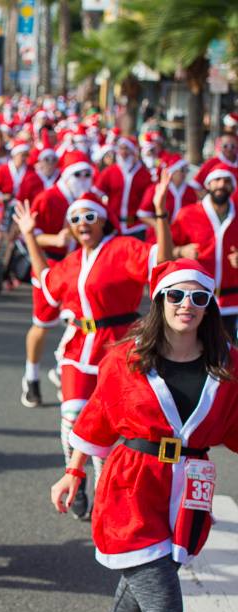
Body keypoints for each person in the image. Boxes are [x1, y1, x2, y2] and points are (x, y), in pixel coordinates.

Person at [51, 258, 238, 612]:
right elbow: (97, 416)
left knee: (132, 607)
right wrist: (74, 472)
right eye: (176, 295)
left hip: (189, 493)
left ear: (208, 305)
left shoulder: (228, 365)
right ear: (160, 300)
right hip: (132, 490)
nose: (186, 304)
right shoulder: (126, 360)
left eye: (198, 296)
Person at [16, 190, 172, 519]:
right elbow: (46, 283)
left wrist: (160, 215)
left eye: (89, 216)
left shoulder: (122, 249)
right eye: (75, 219)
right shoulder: (72, 262)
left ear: (103, 220)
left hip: (120, 347)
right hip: (78, 347)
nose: (82, 223)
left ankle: (105, 487)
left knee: (111, 422)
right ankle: (76, 474)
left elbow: (162, 263)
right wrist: (29, 234)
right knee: (73, 416)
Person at [20, 149, 93, 407]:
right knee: (43, 324)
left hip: (81, 266)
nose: (83, 178)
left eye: (87, 173)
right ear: (66, 174)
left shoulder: (90, 199)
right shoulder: (48, 198)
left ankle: (65, 370)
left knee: (81, 321)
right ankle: (31, 376)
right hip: (48, 264)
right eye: (78, 173)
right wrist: (56, 239)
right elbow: (31, 234)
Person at [168, 165, 238, 338]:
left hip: (233, 302)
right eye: (217, 180)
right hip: (198, 301)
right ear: (208, 184)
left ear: (233, 186)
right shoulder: (187, 214)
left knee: (231, 358)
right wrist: (180, 251)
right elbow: (164, 250)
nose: (221, 184)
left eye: (227, 180)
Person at [95, 135, 151, 239]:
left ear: (134, 152)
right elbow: (96, 195)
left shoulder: (145, 175)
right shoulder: (110, 171)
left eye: (127, 149)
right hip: (113, 226)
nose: (123, 153)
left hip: (136, 227)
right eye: (121, 148)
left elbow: (149, 203)